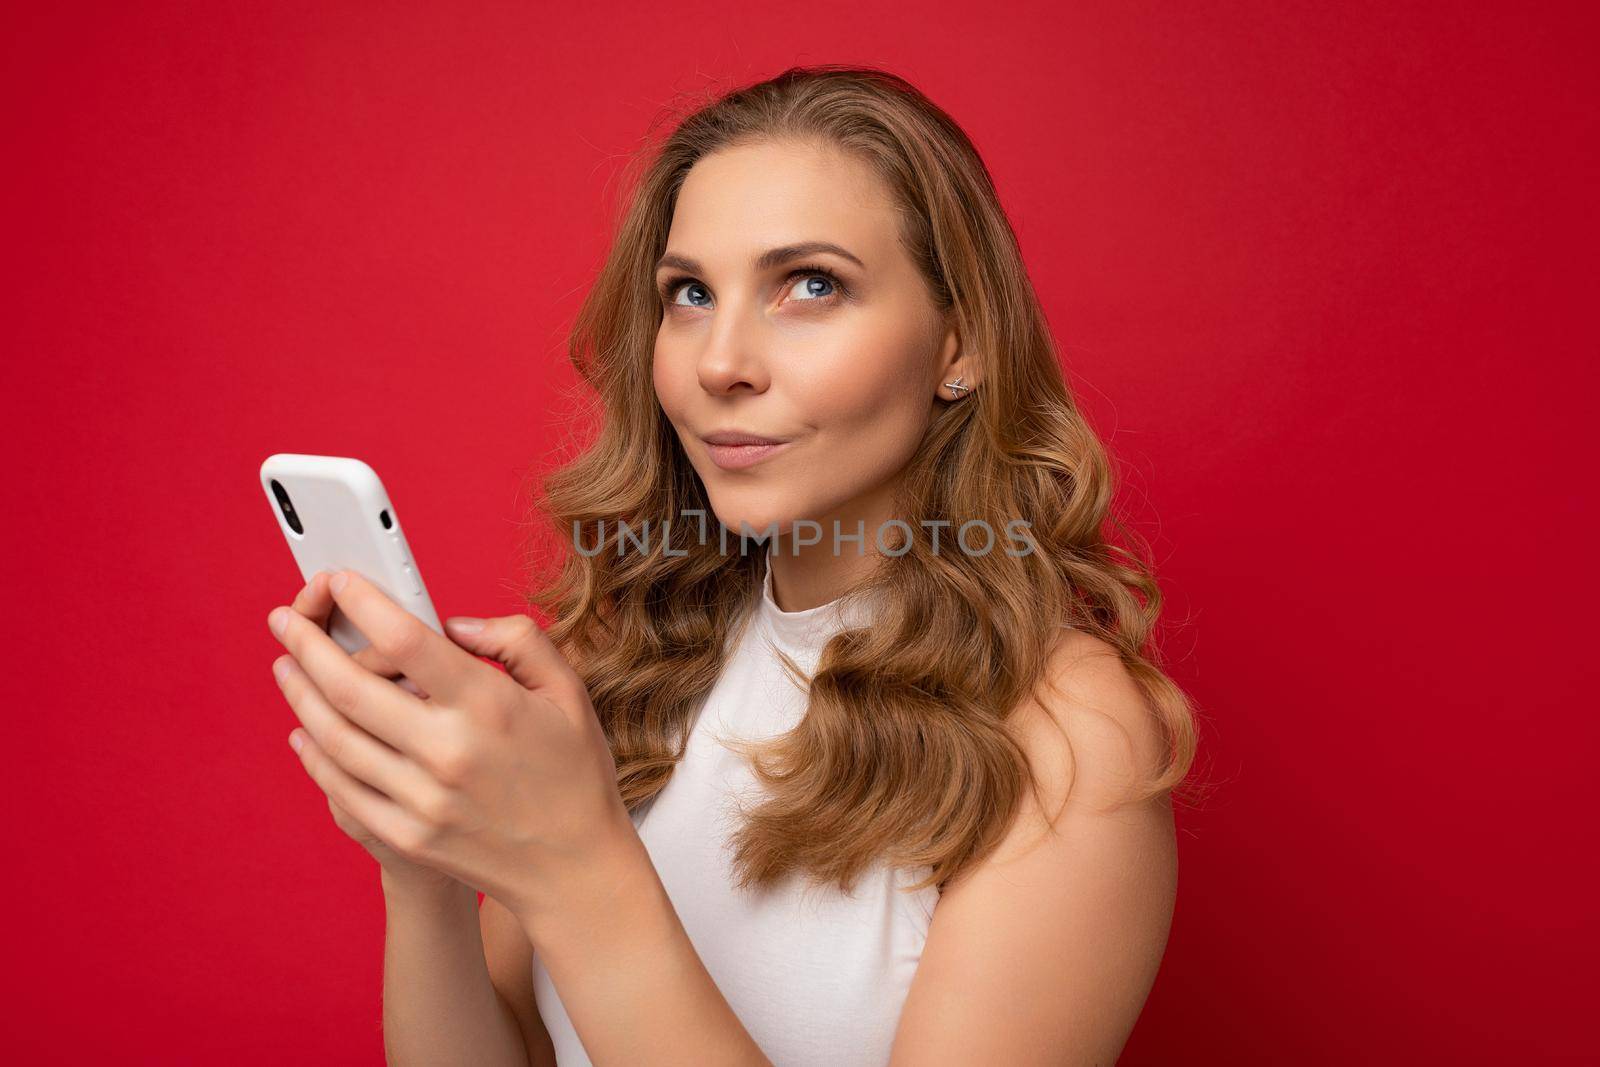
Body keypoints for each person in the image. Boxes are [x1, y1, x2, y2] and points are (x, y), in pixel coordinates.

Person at [266, 64, 1200, 1066]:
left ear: (958, 344)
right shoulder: (628, 659)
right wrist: (428, 876)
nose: (720, 361)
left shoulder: (1068, 734)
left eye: (810, 285)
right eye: (691, 293)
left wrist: (580, 867)